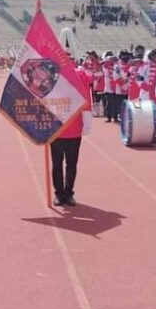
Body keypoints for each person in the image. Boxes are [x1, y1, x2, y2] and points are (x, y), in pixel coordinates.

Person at [51, 33, 92, 207]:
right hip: (56, 128)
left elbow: (86, 99)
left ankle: (67, 192)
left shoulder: (80, 74)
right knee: (59, 164)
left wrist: (87, 121)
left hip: (73, 128)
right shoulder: (52, 75)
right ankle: (60, 193)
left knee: (70, 163)